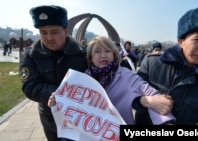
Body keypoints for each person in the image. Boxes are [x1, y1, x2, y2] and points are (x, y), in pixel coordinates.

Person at [48, 36, 175, 125]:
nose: (103, 55)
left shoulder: (126, 75)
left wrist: (165, 121)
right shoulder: (82, 79)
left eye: (107, 51)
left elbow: (152, 96)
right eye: (97, 52)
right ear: (91, 57)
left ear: (114, 54)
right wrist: (57, 100)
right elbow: (69, 104)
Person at [19, 5, 88, 141]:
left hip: (79, 116)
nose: (49, 37)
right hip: (50, 117)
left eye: (54, 32)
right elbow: (30, 86)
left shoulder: (82, 54)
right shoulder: (30, 55)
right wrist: (61, 94)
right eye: (43, 32)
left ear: (66, 31)